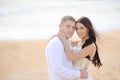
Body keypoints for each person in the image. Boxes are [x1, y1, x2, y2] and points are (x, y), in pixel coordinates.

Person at [45, 16, 88, 80]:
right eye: (68, 26)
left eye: (73, 27)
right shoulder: (56, 43)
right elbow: (58, 68)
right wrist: (79, 74)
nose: (71, 30)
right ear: (60, 26)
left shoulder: (66, 42)